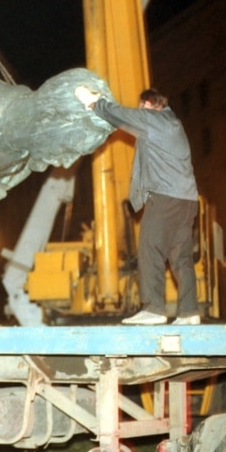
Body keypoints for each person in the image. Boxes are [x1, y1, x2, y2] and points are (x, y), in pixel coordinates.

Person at [76, 86, 200, 325]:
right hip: (187, 200)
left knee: (149, 247)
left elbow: (122, 115)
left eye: (141, 107)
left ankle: (154, 309)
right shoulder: (173, 124)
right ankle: (189, 312)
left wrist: (94, 102)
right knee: (181, 257)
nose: (139, 110)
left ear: (149, 104)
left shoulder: (154, 121)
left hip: (165, 197)